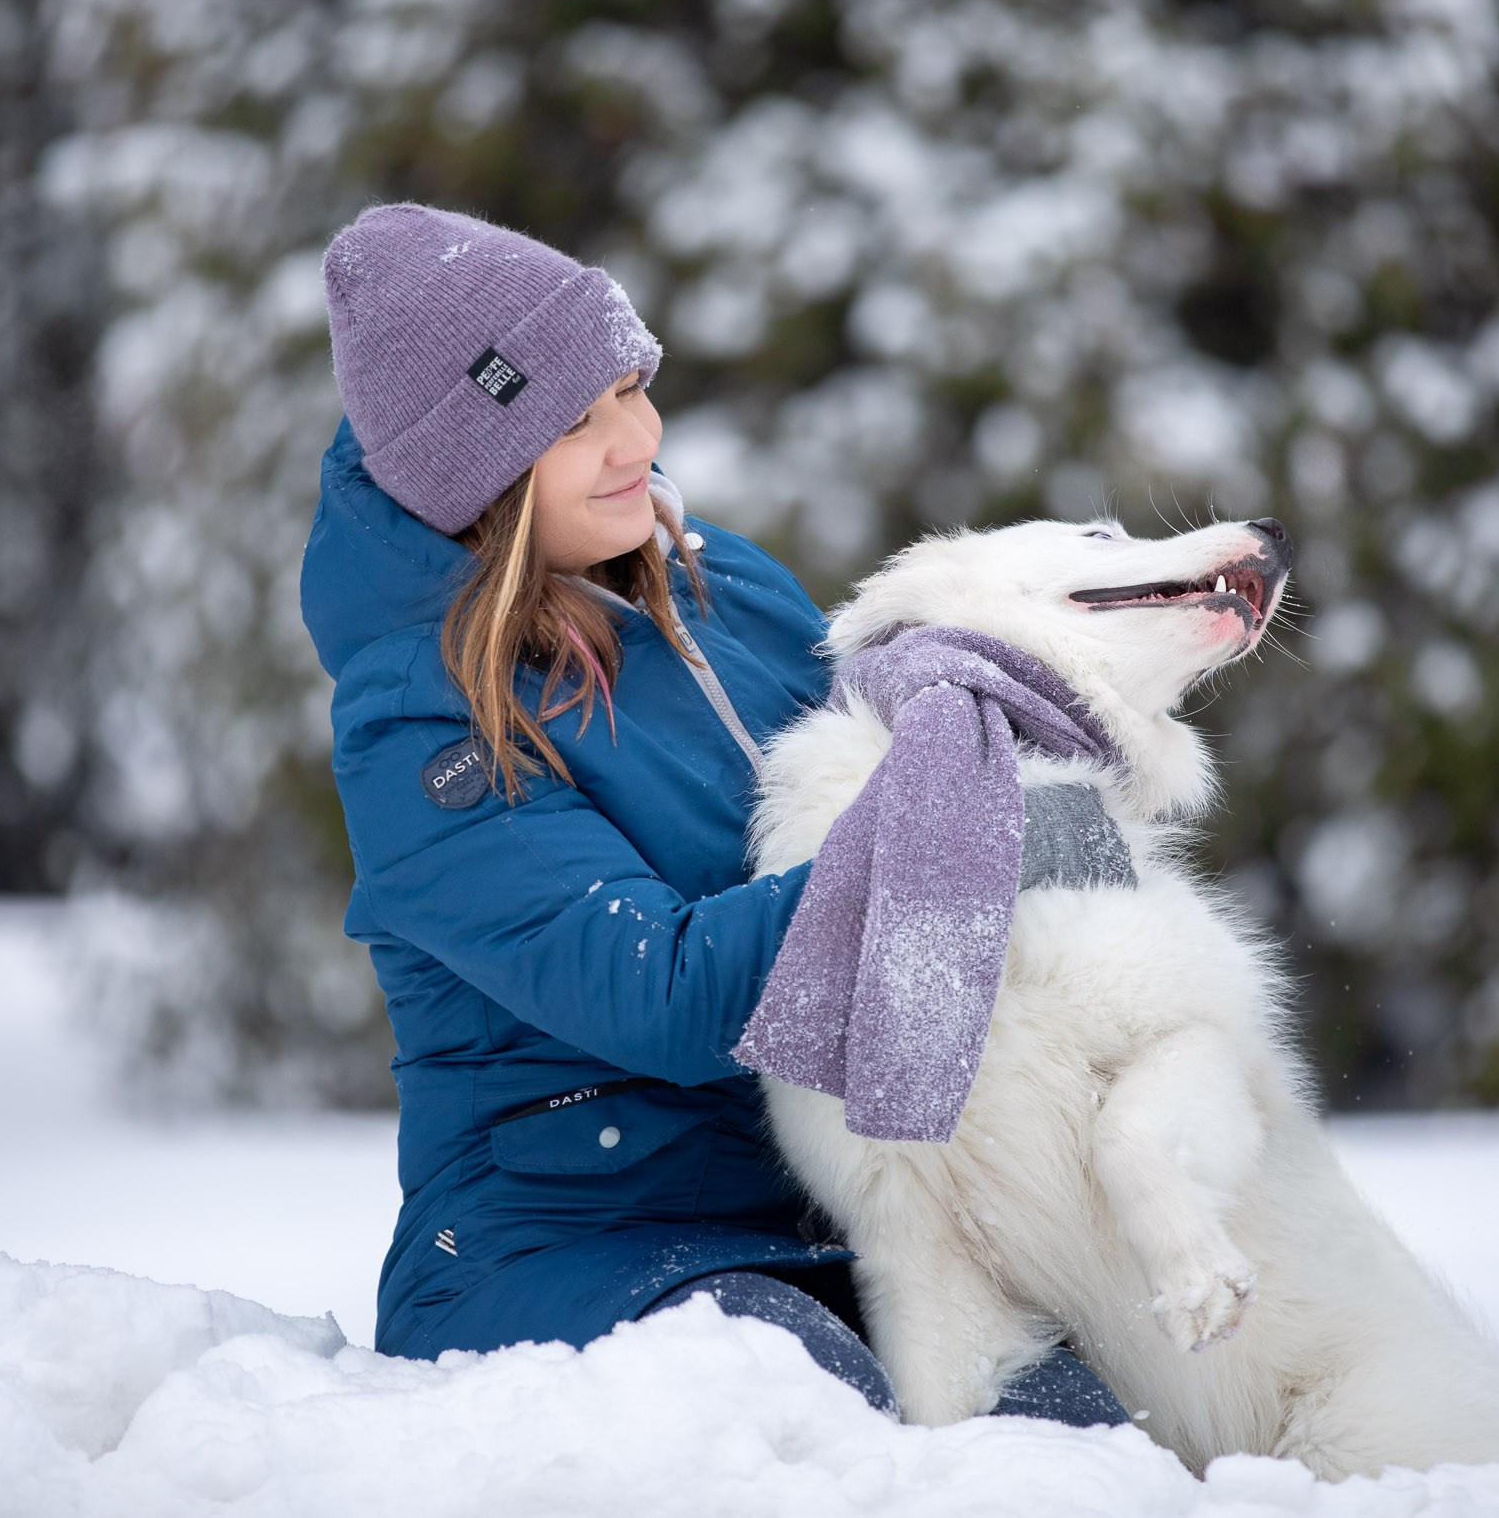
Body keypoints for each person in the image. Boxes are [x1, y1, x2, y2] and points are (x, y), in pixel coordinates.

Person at [299, 202, 1128, 1428]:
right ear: (481, 478)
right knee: (815, 1416)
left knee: (1079, 1425)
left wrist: (1024, 733)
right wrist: (965, 838)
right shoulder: (421, 723)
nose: (639, 434)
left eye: (631, 385)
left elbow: (883, 777)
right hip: (568, 1248)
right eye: (577, 421)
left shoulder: (715, 582)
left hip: (828, 1216)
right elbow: (662, 990)